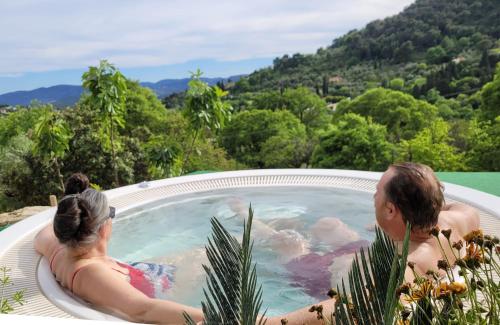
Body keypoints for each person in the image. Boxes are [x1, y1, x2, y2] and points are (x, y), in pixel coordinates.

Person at [34, 188, 337, 324]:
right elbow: (144, 309)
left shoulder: (62, 249)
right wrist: (235, 319)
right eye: (110, 215)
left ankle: (283, 240)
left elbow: (41, 234)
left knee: (219, 248)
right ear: (103, 230)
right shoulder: (90, 272)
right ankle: (296, 255)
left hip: (145, 273)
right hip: (160, 286)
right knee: (225, 253)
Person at [374, 162, 480, 281]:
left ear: (390, 210)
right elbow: (457, 207)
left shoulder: (409, 263)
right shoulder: (464, 217)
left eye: (377, 191)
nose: (374, 196)